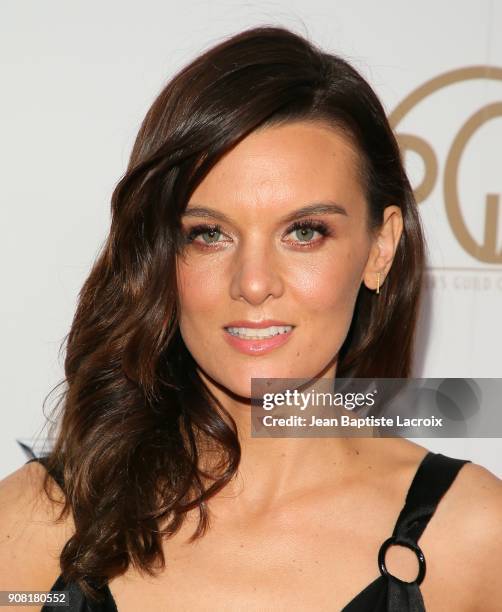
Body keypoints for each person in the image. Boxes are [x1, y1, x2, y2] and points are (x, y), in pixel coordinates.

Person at [1, 25, 501, 612]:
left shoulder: (473, 540)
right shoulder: (37, 526)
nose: (254, 283)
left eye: (305, 232)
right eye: (209, 234)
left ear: (379, 248)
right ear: (161, 253)